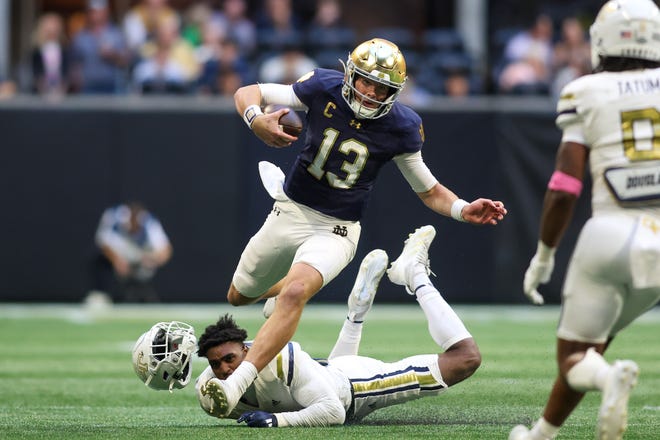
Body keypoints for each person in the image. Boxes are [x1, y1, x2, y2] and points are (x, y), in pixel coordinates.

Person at [209, 37, 507, 419]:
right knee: (238, 296)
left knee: (296, 291)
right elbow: (247, 91)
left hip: (337, 228)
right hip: (290, 210)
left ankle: (235, 383)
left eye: (381, 87)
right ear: (350, 74)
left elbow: (429, 190)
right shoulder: (321, 86)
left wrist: (465, 209)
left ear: (394, 91)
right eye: (365, 81)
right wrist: (255, 119)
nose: (369, 92)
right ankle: (281, 295)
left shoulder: (402, 126)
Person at [509, 1, 660, 439]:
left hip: (611, 233)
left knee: (576, 359)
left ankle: (609, 379)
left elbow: (565, 187)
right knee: (595, 343)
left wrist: (544, 254)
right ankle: (541, 434)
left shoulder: (586, 90)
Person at [195, 227, 480, 426]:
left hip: (357, 387)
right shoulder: (213, 389)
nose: (224, 370)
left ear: (247, 350)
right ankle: (355, 315)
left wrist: (276, 420)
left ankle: (414, 273)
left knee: (466, 358)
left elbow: (332, 411)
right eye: (216, 364)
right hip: (330, 374)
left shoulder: (277, 359)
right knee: (331, 374)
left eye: (229, 359)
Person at [90, 201, 173, 303]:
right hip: (117, 254)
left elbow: (165, 250)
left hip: (139, 257)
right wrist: (116, 260)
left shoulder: (149, 223)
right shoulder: (113, 217)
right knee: (98, 262)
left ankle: (142, 299)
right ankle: (100, 294)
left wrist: (152, 260)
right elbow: (102, 242)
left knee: (143, 276)